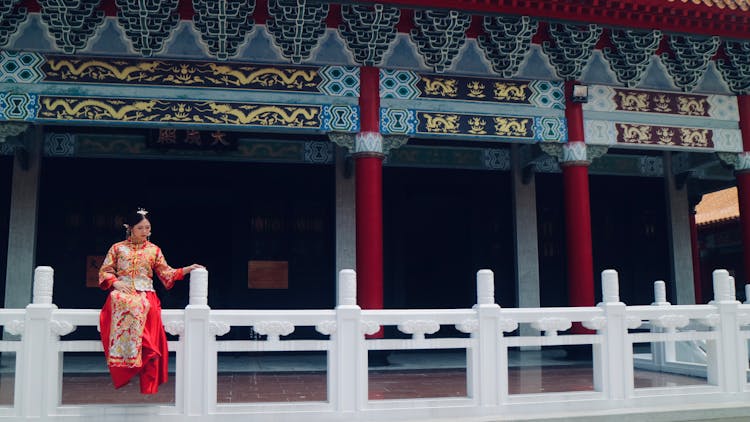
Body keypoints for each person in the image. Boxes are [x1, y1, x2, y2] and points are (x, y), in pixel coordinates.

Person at [98, 207, 203, 394]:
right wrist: (115, 283)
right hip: (123, 294)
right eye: (141, 228)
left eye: (148, 228)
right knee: (121, 305)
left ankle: (147, 377)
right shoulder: (117, 248)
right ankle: (126, 366)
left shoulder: (154, 250)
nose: (146, 232)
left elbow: (166, 273)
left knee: (149, 323)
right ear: (130, 228)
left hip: (146, 294)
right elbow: (105, 271)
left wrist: (187, 269)